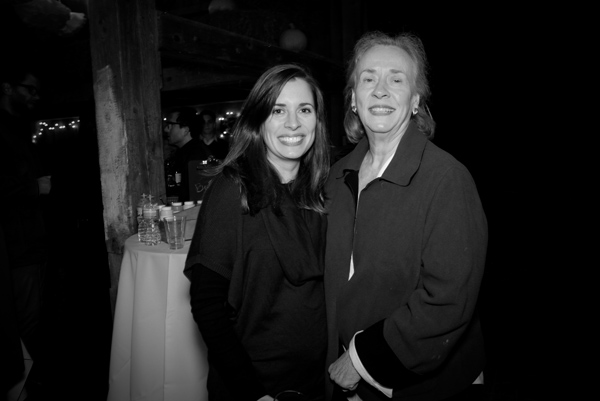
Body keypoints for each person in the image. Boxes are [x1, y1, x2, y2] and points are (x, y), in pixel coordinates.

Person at [325, 32, 488, 401]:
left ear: (415, 101)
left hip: (427, 387)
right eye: (368, 78)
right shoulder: (336, 178)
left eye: (396, 80)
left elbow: (447, 300)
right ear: (353, 98)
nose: (380, 90)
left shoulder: (446, 179)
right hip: (348, 384)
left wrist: (359, 360)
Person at [183, 64, 331, 401]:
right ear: (258, 120)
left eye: (304, 110)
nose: (293, 123)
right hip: (254, 384)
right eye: (278, 110)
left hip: (318, 379)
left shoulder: (323, 191)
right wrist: (253, 393)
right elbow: (207, 304)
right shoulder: (233, 190)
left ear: (317, 121)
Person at [0, 63, 49, 394]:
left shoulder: (18, 129)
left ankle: (30, 381)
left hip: (32, 243)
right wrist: (35, 187)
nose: (35, 96)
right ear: (7, 88)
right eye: (29, 89)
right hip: (15, 249)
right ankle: (23, 385)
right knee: (24, 322)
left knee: (34, 319)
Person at [163, 107, 211, 202]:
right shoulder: (182, 153)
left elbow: (196, 196)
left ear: (185, 130)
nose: (166, 129)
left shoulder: (197, 156)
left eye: (171, 125)